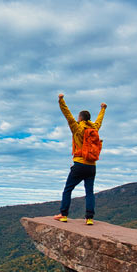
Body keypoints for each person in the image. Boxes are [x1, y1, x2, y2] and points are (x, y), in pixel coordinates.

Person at [54, 94, 106, 225]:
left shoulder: (77, 128)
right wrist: (103, 109)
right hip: (92, 166)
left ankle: (64, 215)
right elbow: (99, 120)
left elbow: (67, 114)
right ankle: (89, 218)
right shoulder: (94, 128)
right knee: (89, 192)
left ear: (80, 118)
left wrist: (61, 100)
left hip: (79, 164)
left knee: (68, 189)